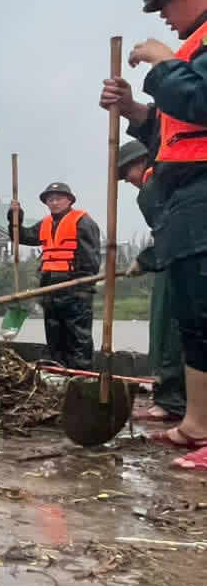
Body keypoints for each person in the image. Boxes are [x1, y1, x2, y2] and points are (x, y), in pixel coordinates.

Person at [100, 0, 207, 467]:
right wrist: (135, 109)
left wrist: (164, 65)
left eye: (167, 0)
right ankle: (196, 425)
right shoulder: (194, 51)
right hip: (186, 195)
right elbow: (174, 131)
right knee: (195, 316)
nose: (163, 14)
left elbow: (203, 102)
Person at [116, 140, 186, 424]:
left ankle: (169, 403)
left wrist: (146, 259)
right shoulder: (183, 176)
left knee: (168, 331)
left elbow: (173, 232)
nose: (129, 181)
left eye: (126, 173)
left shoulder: (154, 186)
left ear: (140, 163)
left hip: (176, 264)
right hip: (185, 258)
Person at [7, 181, 101, 369]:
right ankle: (57, 373)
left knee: (77, 337)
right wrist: (15, 218)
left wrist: (80, 288)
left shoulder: (83, 221)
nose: (54, 202)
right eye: (50, 199)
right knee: (54, 334)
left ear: (69, 200)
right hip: (49, 288)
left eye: (59, 199)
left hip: (74, 288)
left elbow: (91, 260)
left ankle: (80, 376)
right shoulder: (45, 223)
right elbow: (21, 236)